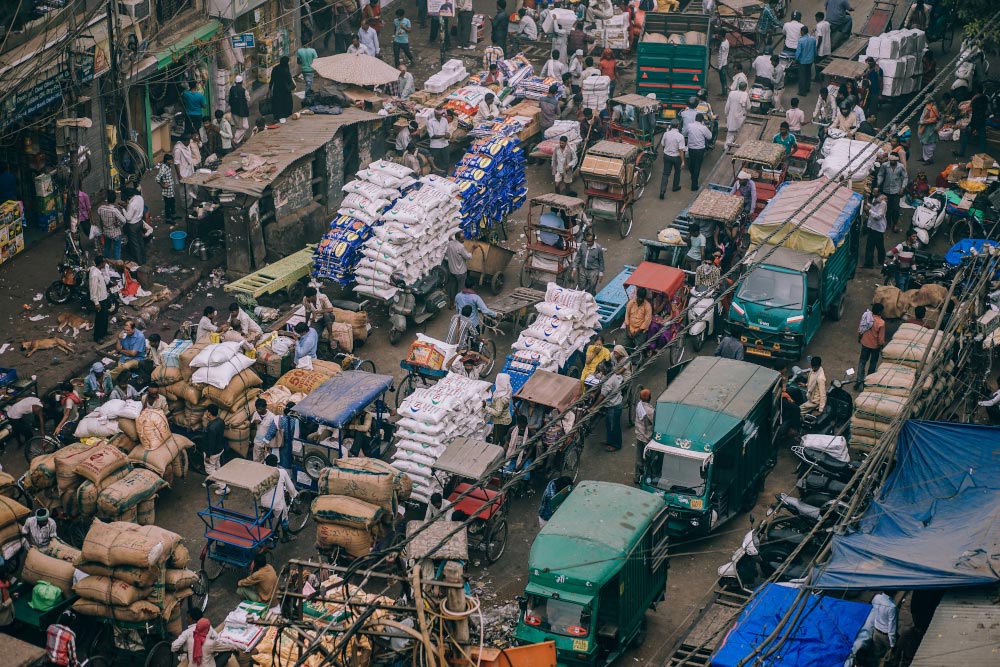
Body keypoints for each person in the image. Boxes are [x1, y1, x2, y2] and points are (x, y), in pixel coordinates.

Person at [262, 454, 298, 542]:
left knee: (266, 514)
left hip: (264, 502)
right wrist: (294, 495)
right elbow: (291, 488)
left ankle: (262, 531)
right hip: (277, 504)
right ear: (276, 463)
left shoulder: (261, 471)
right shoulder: (282, 472)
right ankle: (285, 536)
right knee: (284, 514)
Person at [855, 303, 886, 389]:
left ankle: (859, 380)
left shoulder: (866, 316)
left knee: (862, 362)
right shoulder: (881, 323)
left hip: (865, 344)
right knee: (872, 364)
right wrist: (881, 346)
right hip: (875, 347)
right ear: (880, 312)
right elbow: (880, 339)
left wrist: (859, 337)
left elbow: (861, 328)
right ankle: (868, 382)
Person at [877, 153, 908, 233]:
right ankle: (887, 223)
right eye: (890, 160)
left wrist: (902, 187)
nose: (892, 162)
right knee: (886, 208)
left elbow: (905, 177)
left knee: (896, 209)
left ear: (896, 160)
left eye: (893, 161)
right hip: (886, 190)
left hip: (896, 191)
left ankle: (895, 224)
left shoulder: (900, 167)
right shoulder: (884, 166)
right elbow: (880, 175)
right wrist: (878, 183)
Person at [864, 592, 898, 666]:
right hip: (886, 636)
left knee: (877, 654)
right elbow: (892, 627)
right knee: (889, 657)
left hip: (876, 631)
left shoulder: (876, 597)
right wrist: (893, 644)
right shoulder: (892, 607)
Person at [597, 361, 623, 452]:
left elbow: (602, 396)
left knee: (614, 426)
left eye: (601, 369)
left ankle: (616, 445)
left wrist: (594, 406)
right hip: (612, 405)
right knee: (609, 425)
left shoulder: (608, 381)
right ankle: (609, 441)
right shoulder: (610, 375)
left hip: (614, 406)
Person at [658, 119, 686, 199]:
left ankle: (662, 191)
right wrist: (683, 161)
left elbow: (663, 144)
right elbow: (681, 150)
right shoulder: (680, 136)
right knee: (677, 172)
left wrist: (665, 151)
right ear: (678, 126)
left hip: (667, 156)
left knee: (665, 174)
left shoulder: (666, 134)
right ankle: (675, 187)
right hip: (676, 157)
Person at [684, 112, 712, 190]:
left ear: (695, 119)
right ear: (702, 120)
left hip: (691, 149)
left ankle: (693, 178)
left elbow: (684, 133)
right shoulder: (703, 128)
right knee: (697, 166)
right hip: (700, 150)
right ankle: (694, 185)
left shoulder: (689, 126)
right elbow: (710, 137)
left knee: (691, 165)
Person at [444, 231, 472, 306]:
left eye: (463, 238)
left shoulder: (450, 244)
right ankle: (460, 304)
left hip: (452, 270)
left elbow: (446, 254)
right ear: (457, 238)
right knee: (461, 288)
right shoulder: (461, 247)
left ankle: (451, 304)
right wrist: (473, 250)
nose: (463, 240)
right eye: (461, 239)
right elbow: (468, 257)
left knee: (452, 287)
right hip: (461, 272)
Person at [485, 373, 513, 444]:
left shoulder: (500, 398)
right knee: (500, 435)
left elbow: (497, 413)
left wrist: (485, 407)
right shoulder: (506, 390)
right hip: (505, 418)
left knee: (498, 437)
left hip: (500, 421)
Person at [96, 191, 125, 260]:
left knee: (107, 248)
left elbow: (100, 220)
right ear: (114, 200)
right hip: (115, 233)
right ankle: (117, 264)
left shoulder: (100, 208)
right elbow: (124, 220)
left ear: (107, 199)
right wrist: (118, 224)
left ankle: (107, 262)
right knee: (117, 249)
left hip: (106, 232)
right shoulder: (115, 210)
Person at [724, 81, 750, 151]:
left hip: (731, 118)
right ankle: (738, 150)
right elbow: (748, 107)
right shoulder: (745, 95)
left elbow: (727, 106)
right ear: (745, 87)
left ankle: (726, 149)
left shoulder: (732, 93)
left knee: (730, 135)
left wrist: (726, 115)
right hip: (741, 119)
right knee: (740, 136)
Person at [864, 194, 888, 269]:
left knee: (878, 246)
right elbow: (873, 206)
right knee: (871, 245)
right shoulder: (875, 200)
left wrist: (869, 210)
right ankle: (869, 263)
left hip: (878, 228)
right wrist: (867, 203)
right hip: (872, 226)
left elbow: (878, 216)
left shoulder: (883, 203)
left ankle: (881, 261)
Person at [122, 187, 145, 264]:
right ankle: (143, 258)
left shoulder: (132, 205)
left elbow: (128, 218)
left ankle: (139, 261)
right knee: (140, 241)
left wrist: (123, 209)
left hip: (133, 225)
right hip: (140, 222)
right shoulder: (140, 198)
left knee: (135, 244)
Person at [269, 56, 295, 120]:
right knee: (286, 103)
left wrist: (270, 87)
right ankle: (285, 115)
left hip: (277, 89)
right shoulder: (285, 70)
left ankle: (277, 117)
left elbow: (272, 79)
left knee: (277, 103)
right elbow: (290, 81)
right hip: (285, 91)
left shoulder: (275, 68)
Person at [916, 98, 941, 164]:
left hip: (930, 129)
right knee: (924, 143)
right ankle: (925, 157)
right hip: (925, 129)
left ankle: (929, 159)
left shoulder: (933, 108)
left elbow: (934, 119)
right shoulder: (927, 107)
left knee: (929, 144)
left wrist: (922, 122)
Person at [427, 108, 451, 174]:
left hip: (445, 145)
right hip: (435, 146)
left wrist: (448, 135)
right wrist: (443, 136)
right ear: (435, 114)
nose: (439, 116)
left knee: (446, 161)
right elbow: (432, 136)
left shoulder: (445, 120)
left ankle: (445, 175)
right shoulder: (430, 122)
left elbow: (447, 131)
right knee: (437, 162)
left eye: (440, 115)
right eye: (438, 115)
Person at [795, 26, 816, 96]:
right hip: (810, 60)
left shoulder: (801, 40)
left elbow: (798, 52)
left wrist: (796, 58)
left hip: (803, 61)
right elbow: (815, 50)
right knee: (808, 74)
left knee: (802, 76)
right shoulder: (813, 39)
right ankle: (807, 88)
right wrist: (814, 57)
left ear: (802, 32)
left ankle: (802, 91)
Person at [715, 30, 730, 95]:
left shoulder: (723, 45)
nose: (717, 36)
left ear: (721, 35)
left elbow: (722, 57)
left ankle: (724, 93)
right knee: (723, 80)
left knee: (723, 80)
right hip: (724, 64)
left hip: (722, 65)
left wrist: (719, 67)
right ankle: (724, 93)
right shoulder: (726, 42)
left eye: (718, 34)